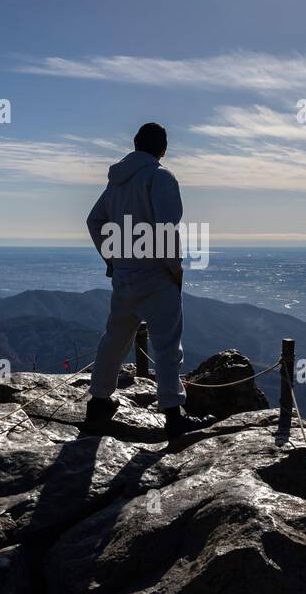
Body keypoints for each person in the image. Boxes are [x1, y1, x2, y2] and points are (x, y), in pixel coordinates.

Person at [84, 122, 215, 438]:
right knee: (168, 346)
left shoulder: (116, 183)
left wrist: (112, 258)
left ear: (135, 144)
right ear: (163, 148)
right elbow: (166, 228)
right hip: (156, 274)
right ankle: (173, 416)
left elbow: (94, 220)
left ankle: (99, 403)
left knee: (114, 339)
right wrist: (174, 268)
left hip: (125, 274)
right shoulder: (160, 177)